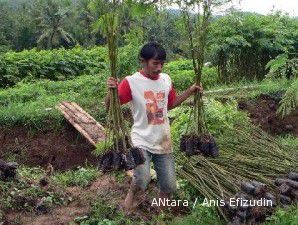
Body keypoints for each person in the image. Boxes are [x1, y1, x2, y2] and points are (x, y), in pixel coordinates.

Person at [105, 42, 203, 211]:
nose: (159, 68)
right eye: (155, 63)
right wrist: (110, 91)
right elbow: (110, 106)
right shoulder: (131, 82)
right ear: (143, 61)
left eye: (162, 63)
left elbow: (170, 104)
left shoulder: (166, 80)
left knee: (169, 186)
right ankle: (128, 202)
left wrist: (190, 91)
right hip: (141, 139)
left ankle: (159, 214)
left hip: (163, 141)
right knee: (142, 179)